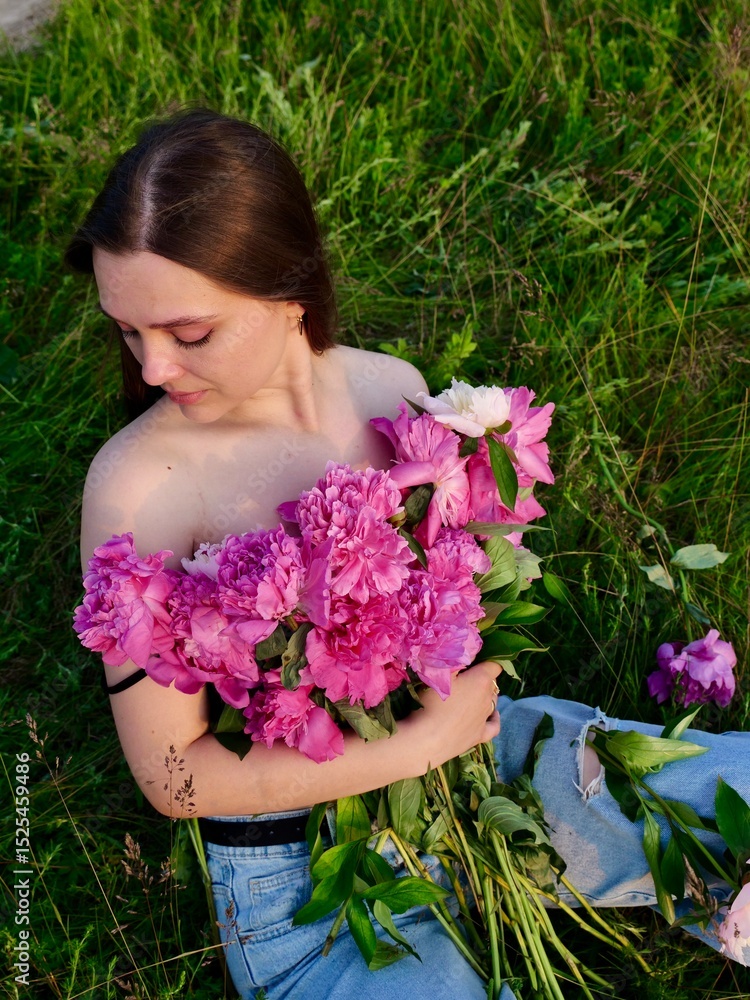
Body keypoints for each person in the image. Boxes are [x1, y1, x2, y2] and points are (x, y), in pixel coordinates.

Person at [69, 109, 748, 999]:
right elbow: (172, 776)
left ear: (288, 290)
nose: (153, 368)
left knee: (723, 791)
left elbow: (460, 591)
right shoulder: (139, 488)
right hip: (307, 880)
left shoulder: (388, 390)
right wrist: (413, 752)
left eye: (188, 334)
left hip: (476, 766)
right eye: (129, 332)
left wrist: (459, 694)